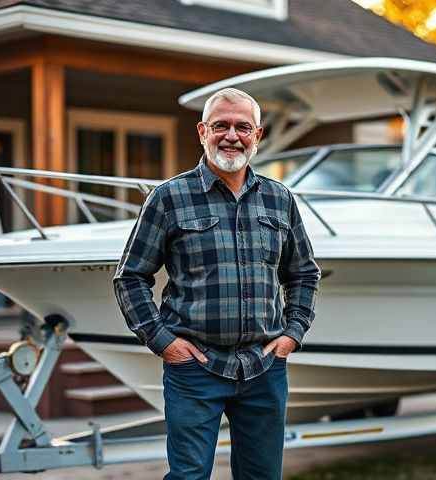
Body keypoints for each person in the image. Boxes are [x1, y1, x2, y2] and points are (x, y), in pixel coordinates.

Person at [113, 87, 320, 480]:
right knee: (188, 476)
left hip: (264, 368)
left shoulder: (280, 199)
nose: (232, 135)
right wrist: (163, 342)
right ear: (202, 131)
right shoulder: (168, 198)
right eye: (221, 125)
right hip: (194, 370)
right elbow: (131, 277)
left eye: (243, 127)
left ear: (258, 135)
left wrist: (293, 333)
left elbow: (304, 273)